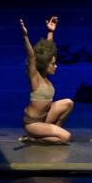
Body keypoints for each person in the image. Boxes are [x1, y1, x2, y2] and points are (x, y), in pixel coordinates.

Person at [19, 15, 74, 144]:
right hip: (33, 124)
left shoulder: (45, 76)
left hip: (45, 118)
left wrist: (50, 32)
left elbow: (48, 51)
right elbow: (32, 57)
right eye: (52, 64)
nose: (56, 66)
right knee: (66, 137)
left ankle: (54, 130)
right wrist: (25, 37)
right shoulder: (35, 79)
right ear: (44, 64)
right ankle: (34, 138)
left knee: (68, 103)